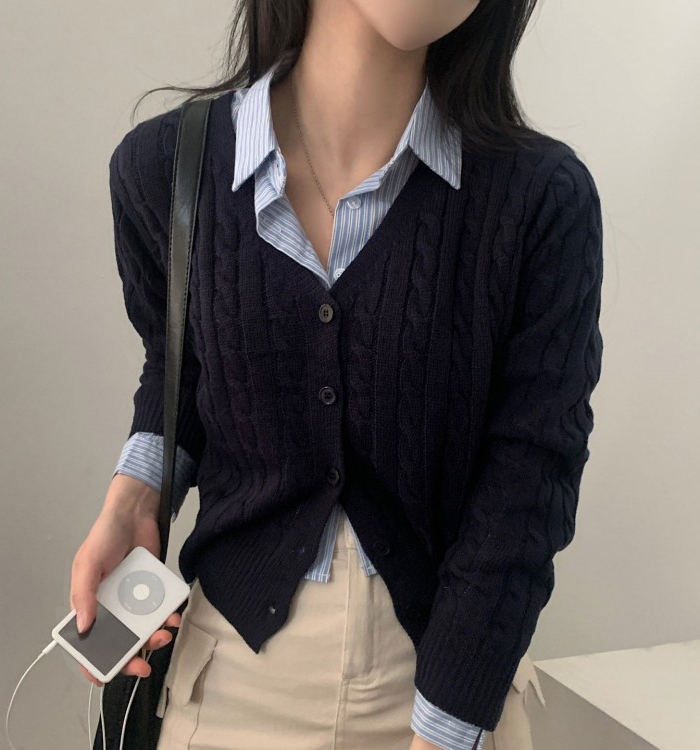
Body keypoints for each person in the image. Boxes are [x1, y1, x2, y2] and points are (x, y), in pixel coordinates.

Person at [70, 1, 604, 748]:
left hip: (445, 698)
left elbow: (529, 479)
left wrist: (445, 728)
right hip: (228, 689)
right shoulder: (164, 168)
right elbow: (180, 366)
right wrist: (135, 493)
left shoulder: (540, 198)